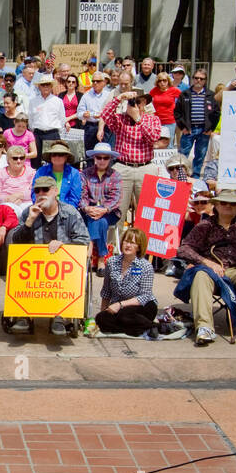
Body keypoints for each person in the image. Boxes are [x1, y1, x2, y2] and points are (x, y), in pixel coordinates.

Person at [176, 189, 236, 345]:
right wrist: (207, 262)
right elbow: (183, 249)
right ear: (216, 205)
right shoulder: (205, 225)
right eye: (223, 203)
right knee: (200, 276)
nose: (228, 206)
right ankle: (204, 327)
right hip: (211, 272)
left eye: (232, 204)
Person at [4, 175, 91, 337]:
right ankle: (23, 314)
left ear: (56, 191)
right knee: (19, 264)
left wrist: (64, 246)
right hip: (34, 270)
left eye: (46, 189)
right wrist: (29, 221)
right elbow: (15, 241)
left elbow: (85, 242)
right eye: (37, 191)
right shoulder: (28, 212)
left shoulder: (70, 213)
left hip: (62, 269)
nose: (41, 193)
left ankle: (60, 315)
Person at [100, 87, 162, 224]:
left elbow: (153, 137)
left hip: (145, 167)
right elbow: (104, 115)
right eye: (131, 102)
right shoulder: (120, 119)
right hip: (123, 167)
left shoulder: (153, 119)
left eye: (137, 102)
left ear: (144, 103)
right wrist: (119, 98)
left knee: (147, 211)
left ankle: (143, 243)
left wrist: (138, 118)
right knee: (117, 211)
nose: (134, 105)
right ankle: (114, 244)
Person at [94, 227, 158, 337]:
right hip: (119, 306)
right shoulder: (111, 262)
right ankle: (134, 330)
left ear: (138, 247)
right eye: (126, 241)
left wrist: (119, 305)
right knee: (101, 319)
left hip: (142, 305)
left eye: (132, 243)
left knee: (124, 316)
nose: (128, 245)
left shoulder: (146, 266)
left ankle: (152, 326)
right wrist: (103, 312)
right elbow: (106, 291)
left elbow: (144, 296)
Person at [80, 142, 121, 272]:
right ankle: (102, 259)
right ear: (94, 158)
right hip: (90, 210)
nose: (102, 161)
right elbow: (82, 194)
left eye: (105, 158)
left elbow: (116, 197)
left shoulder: (115, 175)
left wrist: (104, 209)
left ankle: (90, 250)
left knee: (99, 219)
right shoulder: (85, 174)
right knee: (100, 222)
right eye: (99, 157)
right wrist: (87, 208)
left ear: (110, 159)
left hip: (109, 211)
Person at [30, 140, 82, 210]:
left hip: (66, 210)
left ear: (66, 157)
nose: (57, 157)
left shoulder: (74, 173)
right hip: (43, 208)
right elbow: (34, 192)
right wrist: (41, 206)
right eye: (54, 154)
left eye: (60, 154)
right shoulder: (41, 171)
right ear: (50, 157)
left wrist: (65, 211)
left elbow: (74, 198)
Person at [29, 73, 67, 160]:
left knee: (52, 159)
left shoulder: (58, 101)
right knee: (36, 160)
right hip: (37, 134)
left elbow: (62, 119)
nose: (45, 87)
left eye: (48, 84)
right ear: (39, 87)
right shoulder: (33, 101)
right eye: (43, 85)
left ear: (51, 86)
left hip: (52, 134)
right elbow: (31, 119)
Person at [0, 142, 35, 212]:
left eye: (22, 158)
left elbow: (34, 191)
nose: (19, 161)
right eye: (15, 158)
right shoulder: (1, 173)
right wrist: (8, 199)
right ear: (8, 160)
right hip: (6, 203)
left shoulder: (31, 172)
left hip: (26, 202)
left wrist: (19, 195)